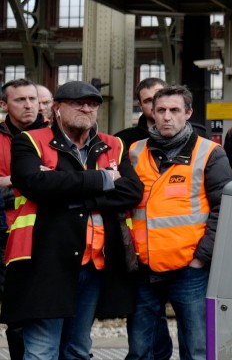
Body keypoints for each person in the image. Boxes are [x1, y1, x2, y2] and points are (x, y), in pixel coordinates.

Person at [3, 80, 143, 360]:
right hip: (44, 261)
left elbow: (132, 191)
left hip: (93, 263)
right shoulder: (30, 141)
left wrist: (71, 193)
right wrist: (104, 179)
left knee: (78, 349)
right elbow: (34, 183)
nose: (86, 108)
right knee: (43, 349)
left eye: (92, 104)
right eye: (77, 103)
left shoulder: (113, 145)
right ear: (56, 109)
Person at [125, 85, 232, 360]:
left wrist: (201, 257)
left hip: (189, 269)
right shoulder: (134, 153)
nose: (166, 117)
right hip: (143, 268)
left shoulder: (210, 153)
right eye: (160, 110)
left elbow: (226, 208)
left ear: (188, 113)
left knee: (197, 350)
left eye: (174, 110)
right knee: (140, 350)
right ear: (151, 112)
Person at [0, 78, 50, 360]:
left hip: (42, 234)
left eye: (33, 99)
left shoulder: (53, 136)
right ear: (4, 105)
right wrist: (24, 179)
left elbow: (60, 180)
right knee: (15, 312)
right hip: (4, 233)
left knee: (38, 309)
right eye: (20, 100)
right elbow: (38, 180)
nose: (29, 105)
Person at [114, 77, 167, 150]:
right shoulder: (122, 141)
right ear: (140, 106)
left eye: (159, 98)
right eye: (148, 100)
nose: (155, 104)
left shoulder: (187, 139)